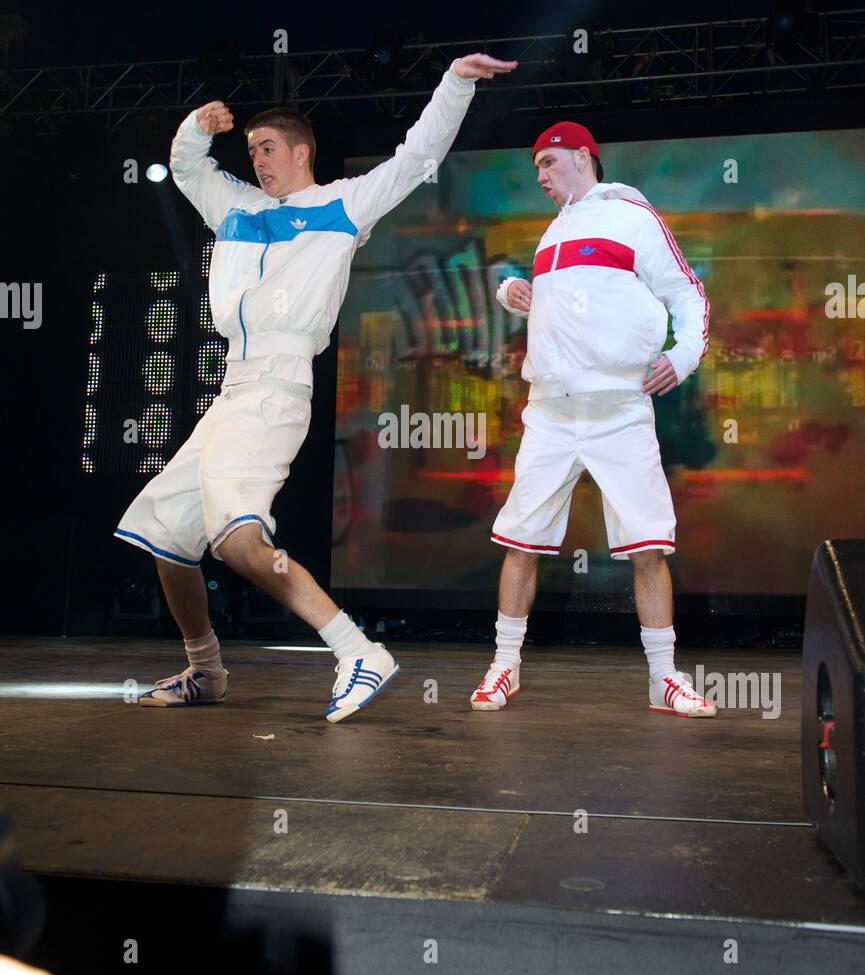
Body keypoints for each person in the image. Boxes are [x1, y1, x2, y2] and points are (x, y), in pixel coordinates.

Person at [115, 53, 516, 722]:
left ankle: (358, 650)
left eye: (267, 147)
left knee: (239, 542)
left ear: (301, 151)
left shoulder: (342, 205)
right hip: (232, 390)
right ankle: (205, 670)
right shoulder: (235, 207)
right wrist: (195, 128)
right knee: (165, 535)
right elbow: (188, 168)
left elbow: (416, 159)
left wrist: (454, 83)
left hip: (276, 388)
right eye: (250, 149)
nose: (258, 160)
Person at [471, 121, 716, 717]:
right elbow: (560, 313)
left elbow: (690, 295)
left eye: (550, 164)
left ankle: (664, 678)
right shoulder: (553, 234)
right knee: (521, 543)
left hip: (619, 410)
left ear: (584, 158)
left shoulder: (633, 218)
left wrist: (681, 358)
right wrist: (514, 293)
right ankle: (504, 667)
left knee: (647, 548)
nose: (542, 178)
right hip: (551, 413)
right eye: (536, 170)